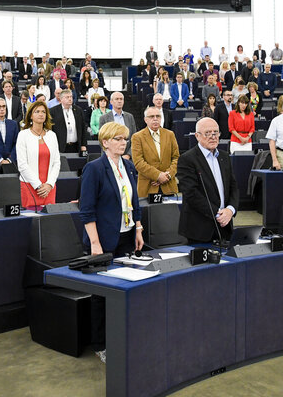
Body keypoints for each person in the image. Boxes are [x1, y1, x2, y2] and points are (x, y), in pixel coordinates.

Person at [79, 121, 143, 363]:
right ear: (105, 142)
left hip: (126, 236)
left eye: (124, 138)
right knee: (101, 295)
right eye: (117, 139)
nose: (122, 142)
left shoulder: (128, 166)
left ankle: (122, 337)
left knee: (124, 289)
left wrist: (138, 228)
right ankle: (100, 344)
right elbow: (87, 210)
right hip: (103, 240)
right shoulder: (94, 169)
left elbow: (134, 201)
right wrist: (94, 244)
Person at [176, 118, 239, 244]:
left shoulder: (224, 156)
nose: (213, 137)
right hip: (200, 229)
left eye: (216, 132)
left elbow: (233, 187)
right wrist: (218, 213)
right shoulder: (187, 159)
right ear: (197, 136)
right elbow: (191, 193)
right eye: (208, 133)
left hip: (225, 225)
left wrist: (230, 210)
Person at [16, 101, 60, 211]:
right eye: (37, 112)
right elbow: (22, 165)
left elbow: (56, 162)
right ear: (31, 115)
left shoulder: (52, 135)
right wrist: (39, 186)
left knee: (49, 221)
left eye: (43, 112)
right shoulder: (23, 135)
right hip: (30, 186)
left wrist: (49, 184)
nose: (41, 114)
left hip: (49, 187)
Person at [130, 107, 179, 198]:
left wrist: (167, 175)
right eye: (152, 116)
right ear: (145, 119)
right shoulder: (137, 137)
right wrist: (158, 176)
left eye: (158, 116)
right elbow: (138, 162)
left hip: (169, 186)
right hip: (148, 187)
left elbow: (176, 158)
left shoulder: (170, 134)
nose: (155, 119)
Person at [99, 92, 137, 157]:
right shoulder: (104, 118)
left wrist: (128, 155)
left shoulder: (130, 117)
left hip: (127, 157)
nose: (119, 101)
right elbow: (102, 139)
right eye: (116, 99)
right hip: (110, 156)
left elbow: (134, 138)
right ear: (111, 102)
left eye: (121, 99)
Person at [50, 90, 87, 154]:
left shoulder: (78, 110)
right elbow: (51, 130)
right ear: (61, 99)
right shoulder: (53, 111)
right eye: (67, 97)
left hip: (76, 146)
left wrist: (83, 145)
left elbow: (83, 128)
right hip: (60, 147)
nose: (70, 99)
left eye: (71, 97)